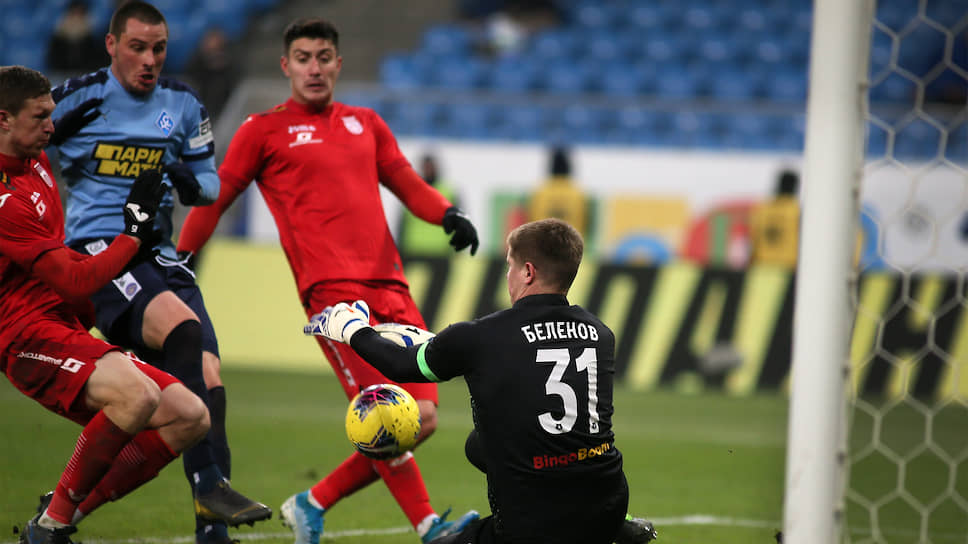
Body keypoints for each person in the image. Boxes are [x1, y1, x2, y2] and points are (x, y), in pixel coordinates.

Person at [176, 17, 481, 544]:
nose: (313, 68)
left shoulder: (367, 122)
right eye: (303, 58)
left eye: (323, 57)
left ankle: (311, 503)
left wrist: (447, 213)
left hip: (393, 288)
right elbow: (218, 197)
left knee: (424, 417)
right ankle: (429, 527)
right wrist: (180, 257)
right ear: (286, 66)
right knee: (390, 412)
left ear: (338, 63)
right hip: (337, 303)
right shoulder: (261, 131)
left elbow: (406, 181)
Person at [47, 3, 271, 543]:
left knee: (209, 387)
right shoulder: (79, 97)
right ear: (111, 45)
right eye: (138, 47)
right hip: (100, 251)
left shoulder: (183, 103)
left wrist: (180, 176)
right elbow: (18, 139)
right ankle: (210, 483)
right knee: (183, 330)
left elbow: (210, 186)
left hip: (160, 258)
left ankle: (206, 530)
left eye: (159, 49)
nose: (149, 60)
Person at [305, 218, 634, 544]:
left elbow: (400, 365)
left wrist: (351, 329)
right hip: (609, 505)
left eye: (510, 266)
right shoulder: (601, 334)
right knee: (478, 445)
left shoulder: (481, 337)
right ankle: (620, 527)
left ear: (528, 272)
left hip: (531, 526)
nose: (507, 276)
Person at [0, 65, 207, 544]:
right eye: (41, 116)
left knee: (190, 416)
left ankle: (58, 515)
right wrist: (133, 230)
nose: (52, 125)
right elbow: (75, 278)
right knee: (139, 397)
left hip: (61, 324)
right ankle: (52, 525)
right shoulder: (6, 203)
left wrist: (53, 135)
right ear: (4, 119)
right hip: (25, 334)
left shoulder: (34, 160)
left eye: (53, 114)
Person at [397, 153, 459, 256]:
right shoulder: (410, 192)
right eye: (426, 167)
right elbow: (402, 223)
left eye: (430, 167)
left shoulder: (448, 193)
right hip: (413, 249)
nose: (428, 170)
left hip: (440, 250)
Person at [528, 146, 590, 238]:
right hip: (571, 244)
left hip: (543, 245)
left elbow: (531, 222)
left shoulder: (540, 192)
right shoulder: (577, 193)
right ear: (568, 167)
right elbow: (585, 222)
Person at [183, 28, 241, 121]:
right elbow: (191, 73)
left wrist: (222, 65)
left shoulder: (231, 56)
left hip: (225, 100)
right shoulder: (198, 59)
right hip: (203, 95)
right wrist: (208, 64)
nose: (213, 43)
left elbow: (236, 75)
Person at [45, 1, 109, 77]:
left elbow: (98, 67)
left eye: (80, 15)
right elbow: (53, 67)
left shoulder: (97, 42)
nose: (76, 19)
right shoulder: (57, 42)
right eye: (73, 15)